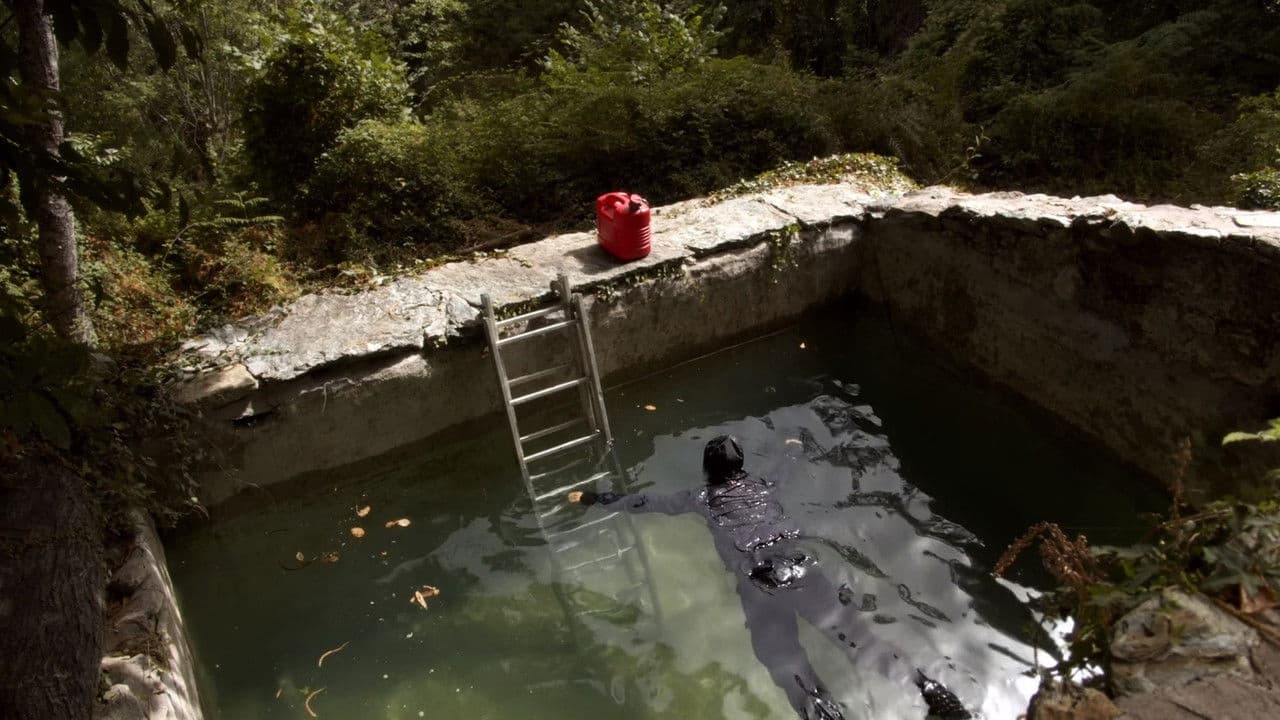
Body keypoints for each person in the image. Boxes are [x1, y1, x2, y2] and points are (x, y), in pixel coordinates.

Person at [568, 435, 972, 720]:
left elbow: (644, 501)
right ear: (741, 466)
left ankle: (823, 713)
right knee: (858, 639)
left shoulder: (701, 497)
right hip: (799, 565)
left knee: (781, 656)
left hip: (758, 579)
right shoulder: (764, 486)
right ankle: (930, 691)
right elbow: (787, 464)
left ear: (707, 471)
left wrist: (593, 498)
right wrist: (792, 444)